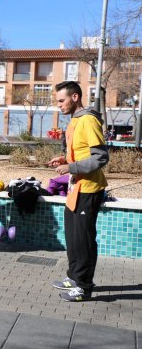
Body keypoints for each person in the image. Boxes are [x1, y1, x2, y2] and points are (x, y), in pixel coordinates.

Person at [47, 81, 108, 302]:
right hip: (75, 188)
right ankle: (73, 277)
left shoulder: (89, 120)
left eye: (61, 100)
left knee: (84, 239)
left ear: (75, 98)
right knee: (73, 238)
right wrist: (65, 159)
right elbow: (81, 153)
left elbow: (100, 157)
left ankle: (84, 286)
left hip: (89, 189)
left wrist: (71, 167)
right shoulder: (75, 121)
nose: (59, 105)